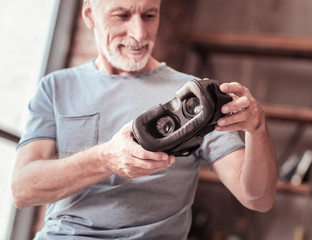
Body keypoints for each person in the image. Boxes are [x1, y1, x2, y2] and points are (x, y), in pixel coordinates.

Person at [11, 0, 278, 239]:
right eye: (122, 15)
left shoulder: (196, 98)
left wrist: (257, 128)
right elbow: (23, 189)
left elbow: (258, 198)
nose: (140, 34)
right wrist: (105, 158)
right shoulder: (56, 88)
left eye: (149, 15)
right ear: (90, 15)